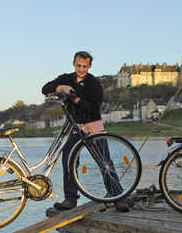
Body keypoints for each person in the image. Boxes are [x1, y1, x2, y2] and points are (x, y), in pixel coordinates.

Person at [42, 50, 126, 211]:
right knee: (69, 164)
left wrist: (76, 98)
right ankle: (70, 199)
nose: (81, 69)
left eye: (85, 66)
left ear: (89, 66)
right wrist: (60, 87)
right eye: (79, 65)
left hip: (92, 126)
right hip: (73, 127)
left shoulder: (94, 83)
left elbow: (94, 108)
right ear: (74, 63)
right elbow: (45, 88)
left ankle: (118, 197)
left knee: (105, 163)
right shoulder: (66, 78)